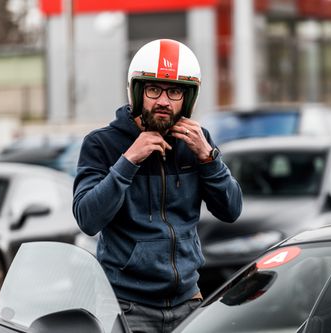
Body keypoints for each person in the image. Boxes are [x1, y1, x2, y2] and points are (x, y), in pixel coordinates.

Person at [72, 39, 243, 333]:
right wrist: (128, 162)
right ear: (137, 92)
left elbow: (231, 210)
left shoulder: (197, 142)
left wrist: (209, 159)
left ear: (187, 98)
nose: (164, 100)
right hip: (126, 305)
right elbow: (88, 218)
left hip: (189, 300)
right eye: (153, 89)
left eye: (174, 91)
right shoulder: (102, 144)